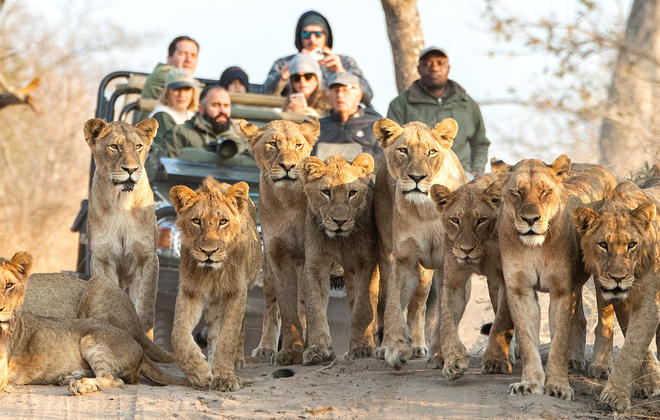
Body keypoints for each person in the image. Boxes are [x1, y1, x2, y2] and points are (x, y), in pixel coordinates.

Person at [387, 46, 490, 178]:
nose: (434, 68)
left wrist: (477, 169)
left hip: (461, 173)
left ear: (448, 69)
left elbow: (480, 142)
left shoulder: (467, 103)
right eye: (428, 64)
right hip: (417, 174)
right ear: (419, 69)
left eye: (440, 63)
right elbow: (390, 144)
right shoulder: (401, 104)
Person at [262, 10, 373, 106]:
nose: (312, 40)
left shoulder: (345, 62)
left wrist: (341, 72)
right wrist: (286, 72)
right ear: (299, 36)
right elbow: (264, 96)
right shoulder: (285, 63)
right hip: (296, 121)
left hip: (334, 123)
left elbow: (367, 96)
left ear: (326, 36)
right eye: (306, 34)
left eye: (318, 34)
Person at [166, 86, 255, 167]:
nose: (222, 111)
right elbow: (167, 169)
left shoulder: (244, 138)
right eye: (215, 105)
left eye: (226, 105)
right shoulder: (179, 133)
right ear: (201, 109)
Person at [313, 72, 382, 160]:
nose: (340, 95)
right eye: (336, 90)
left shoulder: (375, 127)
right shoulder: (317, 128)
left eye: (345, 90)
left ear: (359, 95)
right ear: (328, 94)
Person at [145, 68, 198, 178]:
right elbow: (168, 155)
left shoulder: (192, 115)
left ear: (193, 92)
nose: (182, 94)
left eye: (186, 89)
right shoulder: (162, 116)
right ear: (167, 92)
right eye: (176, 89)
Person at [133, 35, 199, 123]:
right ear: (169, 57)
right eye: (182, 54)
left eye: (193, 55)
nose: (189, 60)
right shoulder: (163, 74)